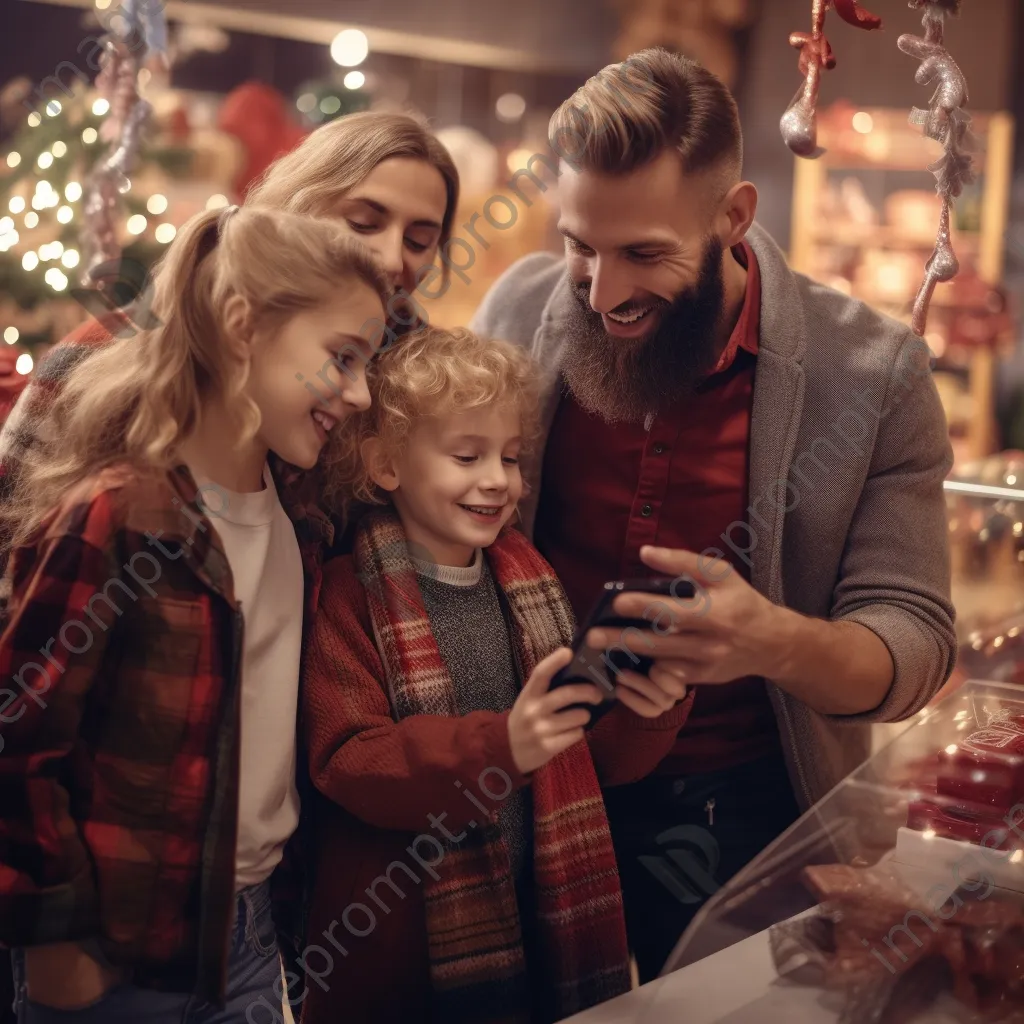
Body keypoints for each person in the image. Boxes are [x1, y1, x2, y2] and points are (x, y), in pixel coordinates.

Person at [470, 47, 956, 982]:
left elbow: (916, 645)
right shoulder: (520, 304)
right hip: (525, 781)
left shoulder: (875, 372)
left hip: (742, 816)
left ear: (734, 217)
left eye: (644, 254)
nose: (600, 293)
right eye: (579, 243)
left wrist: (769, 640)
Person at [0, 206, 388, 1021]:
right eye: (342, 358)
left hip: (244, 942)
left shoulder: (294, 512)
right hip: (114, 955)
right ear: (243, 327)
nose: (358, 394)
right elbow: (18, 741)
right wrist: (53, 942)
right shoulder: (116, 515)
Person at [299, 326, 694, 1022]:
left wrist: (648, 707)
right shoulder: (346, 594)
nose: (497, 480)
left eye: (510, 458)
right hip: (399, 947)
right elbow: (349, 760)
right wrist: (502, 747)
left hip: (537, 925)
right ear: (386, 464)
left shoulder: (529, 582)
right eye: (465, 455)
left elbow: (584, 756)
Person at [0, 109, 459, 577]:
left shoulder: (415, 392)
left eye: (420, 241)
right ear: (296, 206)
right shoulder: (111, 348)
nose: (389, 256)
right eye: (363, 223)